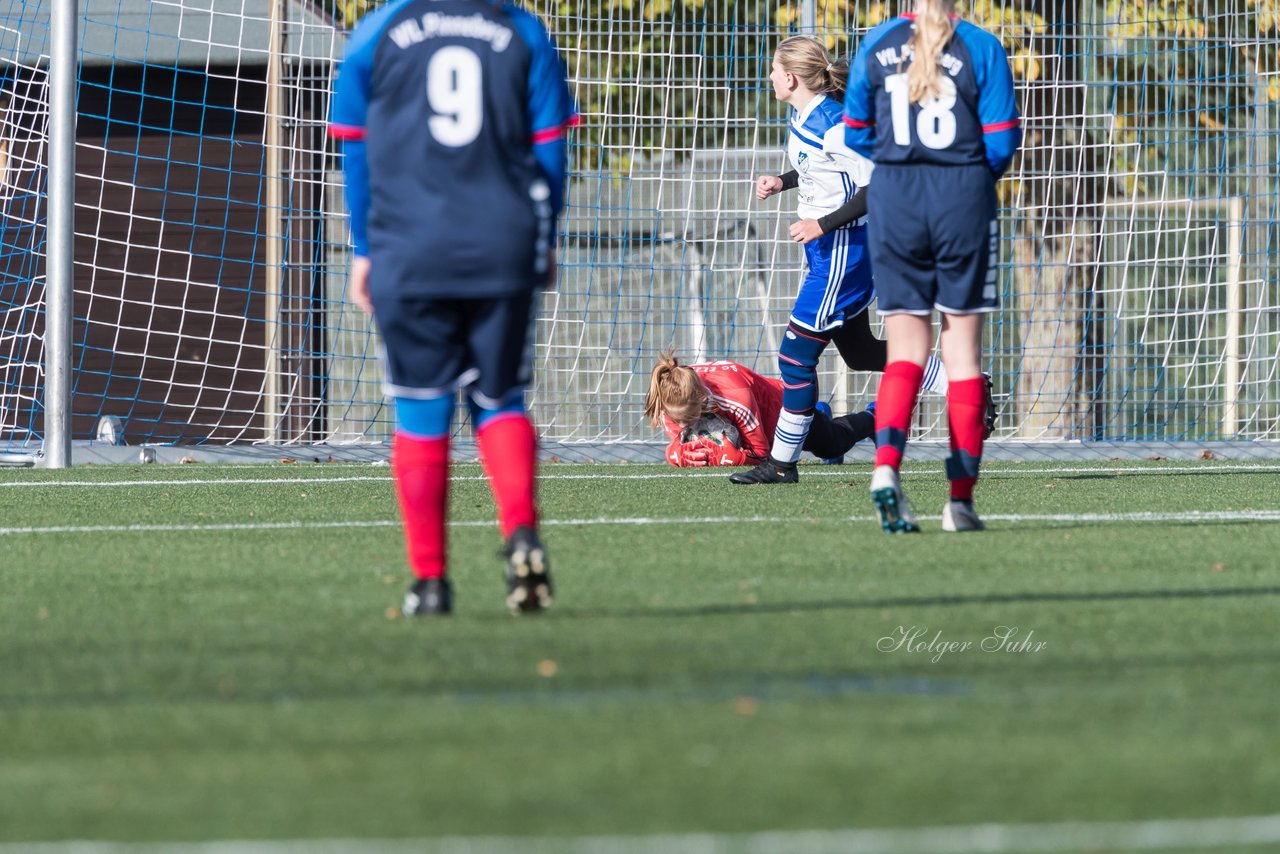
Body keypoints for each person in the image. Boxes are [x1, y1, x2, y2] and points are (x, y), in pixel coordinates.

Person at [329, 0, 577, 614]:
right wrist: (544, 241)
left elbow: (353, 147)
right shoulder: (522, 29)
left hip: (409, 248)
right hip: (503, 239)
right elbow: (549, 149)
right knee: (500, 402)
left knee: (421, 414)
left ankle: (432, 583)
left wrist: (365, 248)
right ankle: (520, 532)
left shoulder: (376, 31)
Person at [735, 35, 957, 486]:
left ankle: (782, 463)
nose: (770, 76)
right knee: (858, 353)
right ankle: (963, 384)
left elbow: (877, 187)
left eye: (774, 69)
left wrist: (823, 223)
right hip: (828, 252)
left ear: (791, 77)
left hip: (844, 251)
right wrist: (783, 181)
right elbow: (823, 168)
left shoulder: (837, 123)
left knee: (795, 357)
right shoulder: (805, 114)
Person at [843, 0, 1021, 532]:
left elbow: (855, 133)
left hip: (895, 200)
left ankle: (885, 469)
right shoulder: (983, 45)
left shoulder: (876, 43)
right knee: (961, 353)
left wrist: (904, 159)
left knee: (905, 351)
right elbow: (1002, 145)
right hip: (961, 199)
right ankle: (959, 502)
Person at [644, 353, 875, 468]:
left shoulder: (735, 396)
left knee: (831, 445)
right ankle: (820, 414)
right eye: (677, 419)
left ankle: (874, 416)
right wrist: (675, 452)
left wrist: (738, 458)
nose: (683, 425)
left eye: (689, 418)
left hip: (777, 406)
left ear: (702, 398)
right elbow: (682, 440)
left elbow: (762, 453)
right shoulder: (669, 394)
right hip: (749, 414)